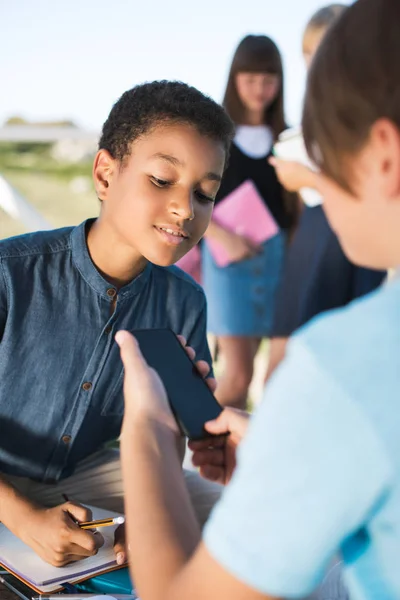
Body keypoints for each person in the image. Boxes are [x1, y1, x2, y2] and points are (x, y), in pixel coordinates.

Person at [117, 0, 400, 598]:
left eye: (321, 149)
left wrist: (146, 432)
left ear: (384, 157)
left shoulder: (348, 362)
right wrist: (296, 449)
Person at [0, 80, 235, 567]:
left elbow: (166, 436)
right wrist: (23, 517)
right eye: (161, 180)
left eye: (205, 193)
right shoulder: (10, 273)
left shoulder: (185, 301)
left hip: (84, 473)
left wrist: (148, 518)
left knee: (230, 510)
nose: (185, 208)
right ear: (105, 175)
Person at [265, 4, 386, 381]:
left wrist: (306, 179)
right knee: (281, 360)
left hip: (343, 241)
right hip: (312, 236)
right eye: (307, 54)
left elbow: (370, 190)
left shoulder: (370, 107)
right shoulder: (316, 107)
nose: (313, 64)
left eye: (321, 52)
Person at [202, 35, 298, 409]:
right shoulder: (216, 136)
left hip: (277, 264)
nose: (260, 89)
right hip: (229, 263)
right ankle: (198, 457)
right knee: (237, 375)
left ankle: (241, 461)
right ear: (234, 79)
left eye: (269, 80)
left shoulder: (287, 138)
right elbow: (192, 196)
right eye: (251, 79)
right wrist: (220, 235)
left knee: (273, 377)